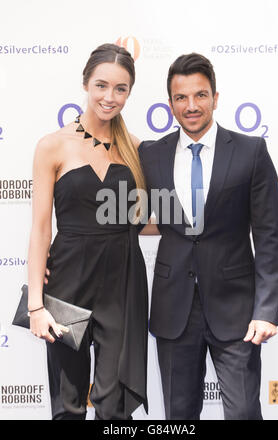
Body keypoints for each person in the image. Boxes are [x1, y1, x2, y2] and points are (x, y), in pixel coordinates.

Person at [139, 53, 278, 420]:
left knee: (244, 413)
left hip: (237, 312)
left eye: (200, 95)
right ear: (170, 103)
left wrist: (266, 311)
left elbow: (268, 238)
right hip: (174, 311)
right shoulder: (150, 155)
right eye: (181, 97)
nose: (191, 106)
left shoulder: (251, 152)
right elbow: (130, 219)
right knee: (179, 417)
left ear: (216, 98)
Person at [27, 43, 148, 420]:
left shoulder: (137, 150)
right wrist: (35, 304)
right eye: (101, 85)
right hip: (68, 286)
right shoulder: (52, 146)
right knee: (68, 405)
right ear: (85, 82)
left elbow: (150, 218)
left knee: (114, 409)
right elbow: (41, 228)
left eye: (120, 89)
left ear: (129, 92)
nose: (109, 97)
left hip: (123, 288)